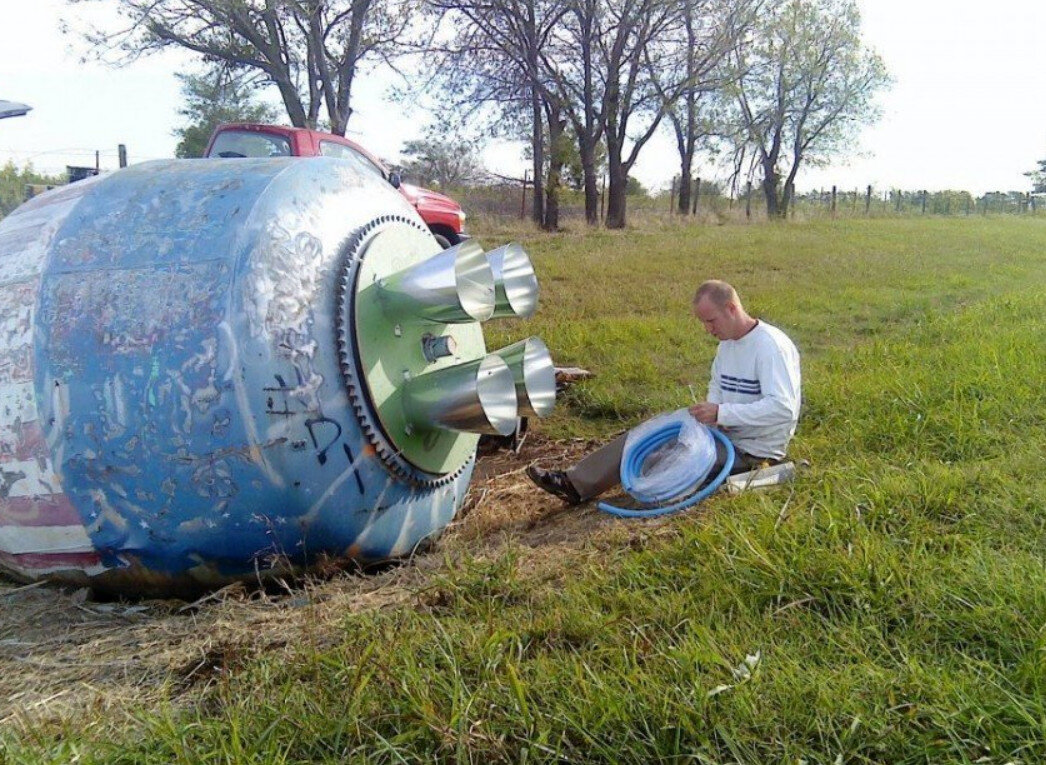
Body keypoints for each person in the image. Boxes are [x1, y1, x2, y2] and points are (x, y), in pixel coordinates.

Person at [527, 279, 801, 505]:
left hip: (750, 449)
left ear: (731, 308)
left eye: (711, 321)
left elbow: (783, 408)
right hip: (722, 432)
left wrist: (722, 413)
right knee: (645, 436)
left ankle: (612, 487)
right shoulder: (726, 345)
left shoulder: (770, 347)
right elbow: (717, 386)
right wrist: (713, 412)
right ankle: (574, 483)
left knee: (665, 459)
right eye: (703, 323)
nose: (708, 330)